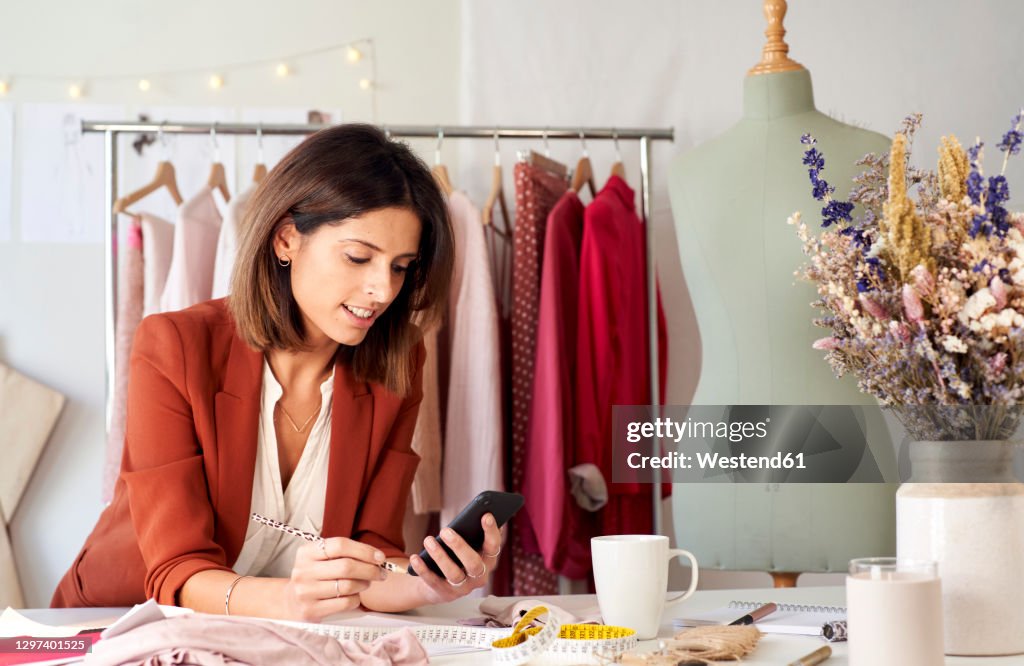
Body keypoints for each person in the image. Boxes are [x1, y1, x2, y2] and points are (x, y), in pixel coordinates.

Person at [52, 124, 502, 621]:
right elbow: (176, 570)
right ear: (287, 238)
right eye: (358, 257)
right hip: (115, 621)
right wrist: (288, 598)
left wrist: (428, 587)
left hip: (275, 632)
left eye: (400, 266)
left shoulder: (397, 363)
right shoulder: (175, 346)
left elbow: (370, 557)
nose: (382, 289)